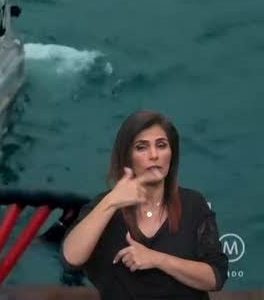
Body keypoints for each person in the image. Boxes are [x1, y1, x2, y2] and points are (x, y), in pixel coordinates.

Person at [61, 109, 228, 298]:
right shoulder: (105, 205)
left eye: (161, 145)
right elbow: (70, 259)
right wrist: (112, 201)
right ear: (127, 157)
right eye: (141, 147)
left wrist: (157, 259)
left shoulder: (193, 204)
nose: (154, 155)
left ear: (172, 154)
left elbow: (216, 277)